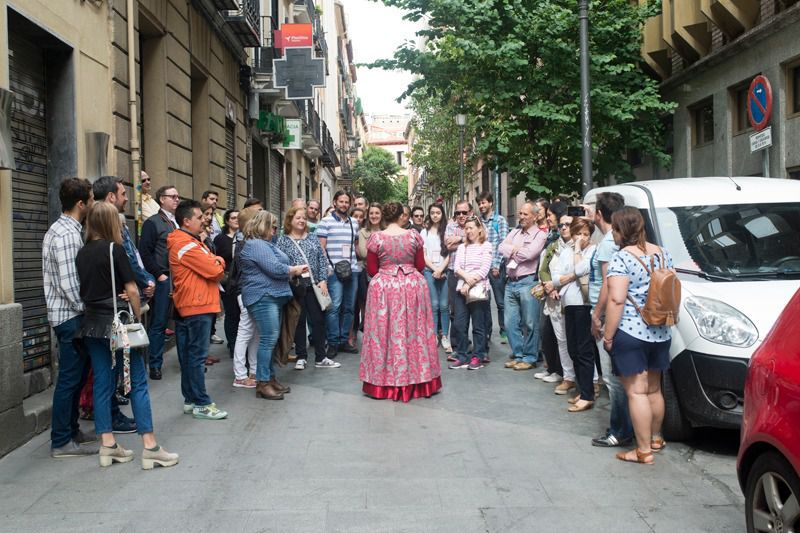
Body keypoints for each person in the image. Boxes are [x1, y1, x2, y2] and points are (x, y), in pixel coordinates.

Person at [76, 202, 178, 469]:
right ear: (112, 223)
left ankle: (108, 445)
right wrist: (136, 310)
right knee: (137, 383)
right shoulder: (115, 249)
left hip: (92, 325)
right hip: (118, 324)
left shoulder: (82, 252)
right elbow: (133, 290)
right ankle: (150, 446)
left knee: (102, 383)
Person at [603, 207, 674, 465]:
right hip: (660, 330)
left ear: (622, 230)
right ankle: (655, 437)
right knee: (654, 388)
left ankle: (643, 450)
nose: (613, 233)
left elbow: (616, 299)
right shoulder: (663, 253)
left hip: (632, 330)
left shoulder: (621, 258)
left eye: (615, 228)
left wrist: (608, 335)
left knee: (636, 392)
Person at [360, 202, 442, 400]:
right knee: (415, 332)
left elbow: (371, 269)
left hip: (384, 289)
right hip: (412, 286)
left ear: (386, 217)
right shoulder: (414, 235)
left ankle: (383, 382)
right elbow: (420, 265)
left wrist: (388, 272)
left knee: (383, 334)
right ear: (401, 216)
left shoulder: (376, 238)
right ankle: (419, 379)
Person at [44, 178, 97, 458]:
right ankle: (61, 440)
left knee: (75, 378)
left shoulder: (67, 230)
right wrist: (87, 310)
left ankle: (72, 430)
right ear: (81, 204)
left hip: (71, 316)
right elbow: (68, 284)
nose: (92, 203)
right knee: (69, 379)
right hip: (70, 317)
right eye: (90, 198)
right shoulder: (65, 235)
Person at [167, 200, 228, 419]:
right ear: (186, 221)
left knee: (189, 355)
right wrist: (219, 259)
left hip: (192, 304)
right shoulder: (187, 244)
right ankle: (201, 402)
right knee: (196, 356)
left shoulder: (188, 242)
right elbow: (214, 269)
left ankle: (191, 399)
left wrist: (213, 260)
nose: (205, 220)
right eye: (199, 217)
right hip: (196, 305)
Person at [240, 210, 307, 399]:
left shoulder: (266, 244)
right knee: (268, 339)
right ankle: (262, 383)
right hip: (263, 296)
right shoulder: (256, 245)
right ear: (263, 226)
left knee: (270, 339)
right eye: (273, 226)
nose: (275, 230)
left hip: (272, 296)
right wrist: (294, 269)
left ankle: (269, 378)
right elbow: (276, 269)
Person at [589, 192, 633, 448]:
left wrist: (597, 315)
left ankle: (620, 430)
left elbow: (608, 283)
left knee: (613, 378)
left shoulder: (608, 243)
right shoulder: (627, 243)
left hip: (608, 314)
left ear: (599, 214)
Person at [277, 206, 337, 370]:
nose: (302, 221)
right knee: (298, 320)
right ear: (290, 220)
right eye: (298, 218)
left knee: (318, 320)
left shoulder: (312, 238)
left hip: (313, 285)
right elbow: (279, 265)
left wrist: (323, 280)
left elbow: (321, 260)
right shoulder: (282, 241)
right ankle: (301, 356)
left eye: (303, 218)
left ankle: (321, 357)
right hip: (294, 286)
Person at [550, 217, 597, 412]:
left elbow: (582, 268)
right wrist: (569, 277)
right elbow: (555, 277)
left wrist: (577, 252)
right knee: (573, 348)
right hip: (568, 303)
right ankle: (582, 388)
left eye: (586, 234)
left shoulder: (593, 250)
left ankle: (588, 394)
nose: (582, 237)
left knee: (584, 350)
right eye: (578, 233)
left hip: (584, 304)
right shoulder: (566, 252)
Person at [499, 202, 548, 370]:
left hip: (528, 282)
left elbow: (530, 254)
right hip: (510, 282)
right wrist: (515, 249)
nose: (521, 216)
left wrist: (511, 250)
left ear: (535, 216)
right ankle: (518, 354)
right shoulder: (514, 232)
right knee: (510, 322)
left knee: (530, 322)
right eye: (520, 213)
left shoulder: (539, 235)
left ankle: (530, 357)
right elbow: (500, 247)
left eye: (525, 214)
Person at [139, 185, 180, 380]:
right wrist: (158, 275)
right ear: (161, 199)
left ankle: (186, 362)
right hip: (164, 278)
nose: (176, 200)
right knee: (159, 322)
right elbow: (145, 253)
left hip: (180, 278)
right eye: (172, 196)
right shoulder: (152, 223)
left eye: (177, 197)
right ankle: (154, 365)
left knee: (182, 321)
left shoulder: (177, 222)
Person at [317, 190, 360, 357]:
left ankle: (343, 341)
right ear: (335, 202)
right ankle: (333, 342)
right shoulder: (325, 222)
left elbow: (355, 247)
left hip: (352, 270)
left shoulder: (354, 223)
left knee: (349, 308)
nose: (344, 205)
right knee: (334, 308)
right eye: (341, 201)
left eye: (346, 202)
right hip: (333, 271)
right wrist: (327, 269)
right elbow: (321, 248)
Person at [537, 211, 575, 391]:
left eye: (568, 224)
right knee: (561, 339)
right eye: (561, 225)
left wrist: (557, 286)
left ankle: (591, 380)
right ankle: (568, 376)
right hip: (554, 299)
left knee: (577, 341)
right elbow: (543, 269)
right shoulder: (553, 246)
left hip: (574, 299)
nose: (564, 228)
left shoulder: (580, 246)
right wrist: (549, 287)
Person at [449, 216, 493, 370]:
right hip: (462, 289)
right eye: (466, 228)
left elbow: (484, 269)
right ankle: (462, 355)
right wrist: (466, 281)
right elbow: (457, 268)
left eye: (471, 228)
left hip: (478, 289)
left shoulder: (486, 246)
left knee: (478, 325)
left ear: (479, 229)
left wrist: (469, 283)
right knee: (459, 324)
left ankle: (478, 356)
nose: (468, 231)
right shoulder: (462, 247)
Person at [228, 205, 263, 388]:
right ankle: (240, 375)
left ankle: (253, 371)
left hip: (249, 291)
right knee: (246, 332)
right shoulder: (246, 245)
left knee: (254, 332)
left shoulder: (244, 243)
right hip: (247, 292)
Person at [478, 191, 509, 347]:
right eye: (479, 203)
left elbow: (503, 244)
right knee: (485, 301)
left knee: (500, 302)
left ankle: (504, 330)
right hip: (483, 268)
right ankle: (487, 331)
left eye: (484, 202)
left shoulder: (500, 220)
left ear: (490, 203)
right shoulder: (478, 222)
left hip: (496, 268)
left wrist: (497, 265)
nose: (481, 206)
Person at [420, 203, 452, 354]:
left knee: (445, 305)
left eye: (438, 213)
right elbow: (423, 255)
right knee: (433, 305)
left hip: (444, 271)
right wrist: (434, 269)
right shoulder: (424, 233)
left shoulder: (447, 231)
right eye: (432, 212)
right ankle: (433, 335)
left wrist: (441, 269)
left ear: (442, 214)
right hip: (429, 271)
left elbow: (449, 254)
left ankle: (445, 335)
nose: (435, 215)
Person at [444, 201, 470, 351]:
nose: (461, 215)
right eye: (458, 213)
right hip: (454, 272)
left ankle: (477, 344)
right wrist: (467, 240)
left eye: (464, 212)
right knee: (455, 310)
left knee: (474, 310)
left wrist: (459, 239)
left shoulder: (476, 224)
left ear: (470, 213)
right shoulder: (450, 226)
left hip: (472, 275)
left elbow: (478, 240)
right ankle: (456, 343)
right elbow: (448, 246)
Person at [214, 209, 239, 358]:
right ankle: (232, 344)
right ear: (228, 221)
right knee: (231, 314)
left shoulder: (244, 237)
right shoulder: (220, 239)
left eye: (238, 217)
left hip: (242, 281)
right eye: (233, 218)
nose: (236, 220)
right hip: (228, 282)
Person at [349, 207, 367, 344]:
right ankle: (352, 332)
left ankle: (364, 326)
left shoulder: (364, 232)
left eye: (361, 216)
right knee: (353, 302)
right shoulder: (349, 230)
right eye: (356, 216)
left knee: (363, 299)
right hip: (351, 269)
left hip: (363, 269)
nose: (358, 219)